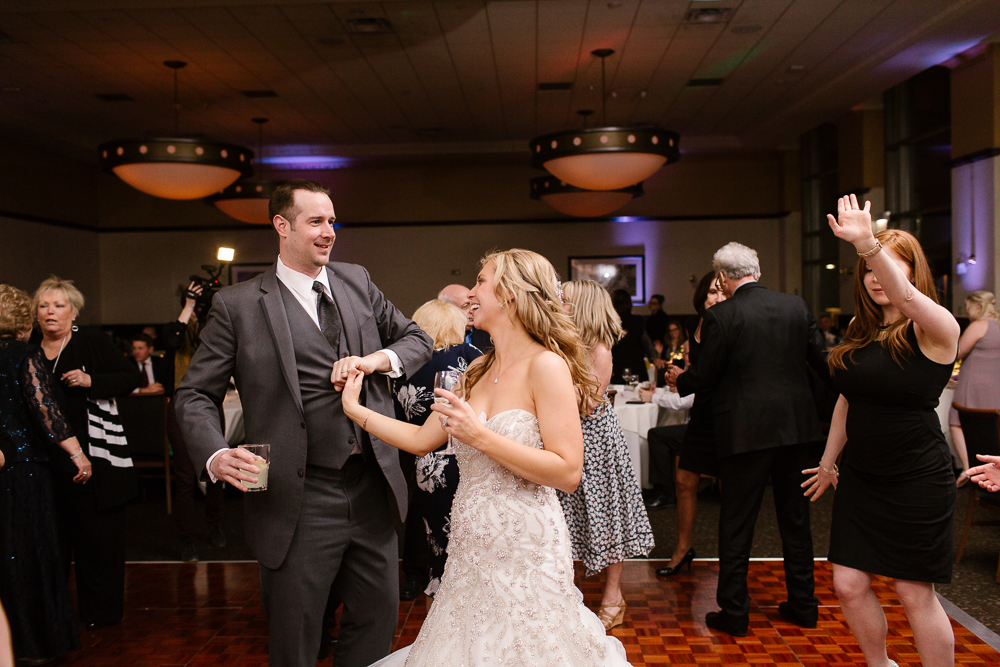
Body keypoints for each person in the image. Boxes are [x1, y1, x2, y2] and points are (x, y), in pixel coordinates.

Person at [175, 179, 433, 667]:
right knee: (296, 637)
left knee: (376, 621)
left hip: (370, 488)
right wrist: (214, 453)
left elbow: (416, 338)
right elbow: (193, 394)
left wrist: (376, 359)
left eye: (332, 221)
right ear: (281, 226)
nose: (328, 232)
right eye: (316, 221)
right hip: (297, 496)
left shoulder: (356, 280)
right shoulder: (238, 306)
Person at [341, 249, 632, 666]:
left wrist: (479, 437)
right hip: (468, 549)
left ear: (510, 294)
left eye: (481, 281)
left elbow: (568, 472)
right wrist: (357, 412)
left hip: (526, 547)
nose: (472, 292)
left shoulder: (546, 366)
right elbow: (424, 440)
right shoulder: (475, 371)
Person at [803, 198, 960, 667]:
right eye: (868, 268)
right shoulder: (860, 327)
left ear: (912, 272)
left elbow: (909, 299)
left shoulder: (936, 327)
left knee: (914, 592)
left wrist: (870, 245)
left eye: (890, 266)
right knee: (848, 584)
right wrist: (830, 462)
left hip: (918, 478)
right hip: (864, 478)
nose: (875, 276)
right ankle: (880, 664)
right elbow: (849, 399)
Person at [665, 243, 827, 637]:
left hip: (744, 430)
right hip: (795, 429)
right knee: (795, 520)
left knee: (737, 522)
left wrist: (679, 379)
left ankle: (735, 613)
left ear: (721, 278)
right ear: (757, 270)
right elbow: (823, 364)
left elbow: (704, 377)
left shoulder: (722, 315)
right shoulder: (796, 307)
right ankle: (804, 605)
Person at [32, 276, 140, 631]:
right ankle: (53, 617)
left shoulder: (90, 340)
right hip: (45, 462)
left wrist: (91, 381)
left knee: (99, 543)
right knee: (52, 544)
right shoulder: (28, 346)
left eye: (58, 305)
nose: (50, 312)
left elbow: (129, 376)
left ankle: (101, 614)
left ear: (73, 311)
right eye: (44, 305)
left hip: (97, 461)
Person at [557, 280, 654, 631]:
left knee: (606, 516)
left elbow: (588, 403)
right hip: (561, 438)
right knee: (565, 519)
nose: (557, 301)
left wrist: (549, 387)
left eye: (563, 298)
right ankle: (567, 593)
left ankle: (614, 596)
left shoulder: (599, 349)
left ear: (581, 306)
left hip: (594, 442)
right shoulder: (559, 345)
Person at [0, 284, 89, 662]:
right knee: (32, 554)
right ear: (24, 317)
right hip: (25, 472)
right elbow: (45, 411)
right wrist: (78, 454)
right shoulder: (26, 354)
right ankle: (37, 644)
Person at [392, 299, 482, 597]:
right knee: (468, 541)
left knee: (437, 543)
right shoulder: (469, 356)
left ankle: (440, 596)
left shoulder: (402, 368)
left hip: (424, 465)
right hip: (463, 458)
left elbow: (394, 415)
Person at [641, 272, 726, 579]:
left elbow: (715, 375)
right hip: (701, 416)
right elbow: (699, 372)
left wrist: (684, 380)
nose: (716, 297)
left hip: (725, 415)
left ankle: (731, 556)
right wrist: (680, 378)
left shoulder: (731, 324)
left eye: (721, 292)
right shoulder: (694, 325)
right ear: (702, 297)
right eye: (711, 293)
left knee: (730, 488)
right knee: (684, 482)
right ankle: (682, 549)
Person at [161, 283, 226, 562]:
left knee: (217, 472)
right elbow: (171, 342)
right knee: (186, 477)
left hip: (212, 403)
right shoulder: (177, 326)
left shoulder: (212, 326)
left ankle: (216, 525)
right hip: (178, 404)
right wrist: (187, 306)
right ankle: (186, 539)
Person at [949, 291, 1000, 486]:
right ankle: (991, 470)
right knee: (992, 428)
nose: (968, 311)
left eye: (969, 307)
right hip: (995, 386)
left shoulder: (979, 325)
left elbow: (957, 353)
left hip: (972, 385)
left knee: (955, 422)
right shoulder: (998, 325)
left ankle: (967, 468)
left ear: (978, 307)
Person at [610, 289, 656, 385]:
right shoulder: (637, 321)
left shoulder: (610, 323)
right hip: (636, 365)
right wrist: (654, 357)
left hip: (617, 367)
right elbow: (647, 344)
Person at [439, 283, 493, 352]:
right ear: (447, 310)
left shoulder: (489, 333)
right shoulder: (436, 339)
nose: (472, 310)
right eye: (465, 306)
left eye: (473, 305)